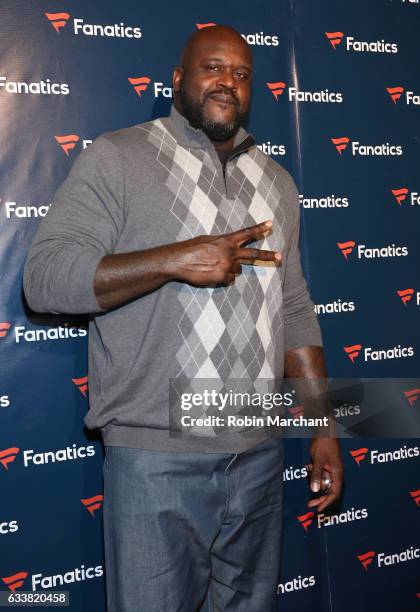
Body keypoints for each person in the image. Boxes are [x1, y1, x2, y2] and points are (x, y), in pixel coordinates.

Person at [23, 25, 343, 612]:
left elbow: (294, 307)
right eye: (212, 67)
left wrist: (324, 426)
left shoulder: (277, 182)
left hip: (260, 449)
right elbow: (44, 279)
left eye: (242, 74)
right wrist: (175, 260)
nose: (228, 81)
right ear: (177, 79)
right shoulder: (118, 157)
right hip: (156, 458)